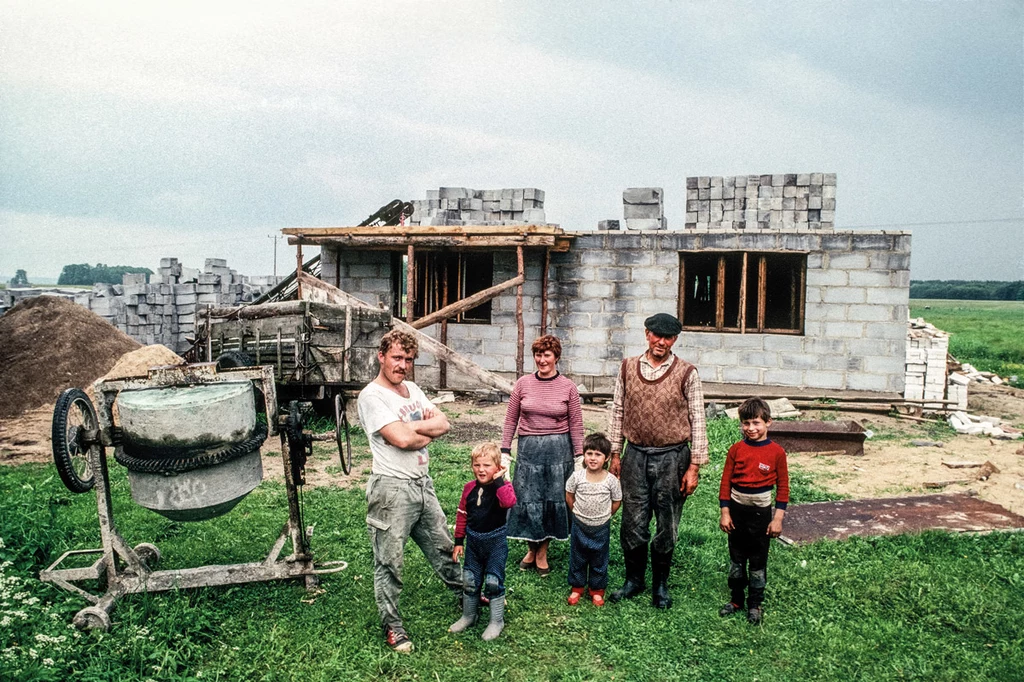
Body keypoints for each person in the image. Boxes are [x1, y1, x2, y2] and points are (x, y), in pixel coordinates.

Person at [357, 329, 461, 653]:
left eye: (408, 359)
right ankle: (393, 626)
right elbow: (401, 440)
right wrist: (420, 430)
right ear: (382, 356)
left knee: (443, 547)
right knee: (390, 561)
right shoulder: (371, 396)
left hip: (422, 484)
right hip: (391, 489)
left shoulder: (413, 389)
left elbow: (443, 424)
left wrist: (411, 428)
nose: (402, 365)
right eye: (397, 357)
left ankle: (470, 598)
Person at [608, 312, 708, 609]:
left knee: (667, 523)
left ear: (674, 339)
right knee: (632, 521)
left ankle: (660, 585)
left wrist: (694, 466)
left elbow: (698, 418)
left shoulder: (687, 373)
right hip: (635, 456)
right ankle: (633, 580)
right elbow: (617, 410)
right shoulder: (627, 368)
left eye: (668, 337)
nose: (661, 342)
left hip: (672, 458)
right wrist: (616, 453)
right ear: (647, 334)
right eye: (656, 335)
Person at [501, 334, 584, 577]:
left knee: (551, 499)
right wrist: (505, 451)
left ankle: (542, 551)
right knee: (528, 499)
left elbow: (576, 424)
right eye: (538, 354)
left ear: (556, 357)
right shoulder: (523, 384)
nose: (542, 359)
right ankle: (531, 546)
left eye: (547, 355)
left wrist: (579, 457)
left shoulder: (568, 387)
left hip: (558, 451)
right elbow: (510, 419)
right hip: (529, 450)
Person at [718, 397, 789, 625]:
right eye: (746, 423)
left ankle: (755, 604)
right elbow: (725, 483)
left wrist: (777, 519)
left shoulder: (777, 453)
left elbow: (783, 488)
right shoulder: (736, 450)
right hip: (737, 513)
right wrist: (725, 513)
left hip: (761, 515)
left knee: (758, 562)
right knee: (737, 560)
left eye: (756, 423)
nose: (751, 428)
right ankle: (737, 599)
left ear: (768, 422)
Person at [449, 442, 517, 640]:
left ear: (498, 466)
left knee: (493, 582)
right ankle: (469, 615)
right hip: (474, 542)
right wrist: (459, 541)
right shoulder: (469, 488)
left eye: (487, 465)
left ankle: (496, 621)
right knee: (470, 580)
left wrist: (499, 481)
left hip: (495, 541)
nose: (481, 469)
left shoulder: (503, 487)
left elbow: (508, 502)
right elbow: (462, 514)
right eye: (477, 465)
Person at [565, 432, 622, 607]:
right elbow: (569, 494)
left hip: (601, 527)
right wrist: (576, 511)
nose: (593, 458)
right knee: (578, 557)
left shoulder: (611, 480)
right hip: (580, 525)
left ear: (605, 459)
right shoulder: (577, 477)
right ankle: (577, 587)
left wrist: (606, 515)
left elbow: (617, 501)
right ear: (584, 455)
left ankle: (597, 590)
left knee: (599, 559)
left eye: (598, 454)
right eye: (589, 453)